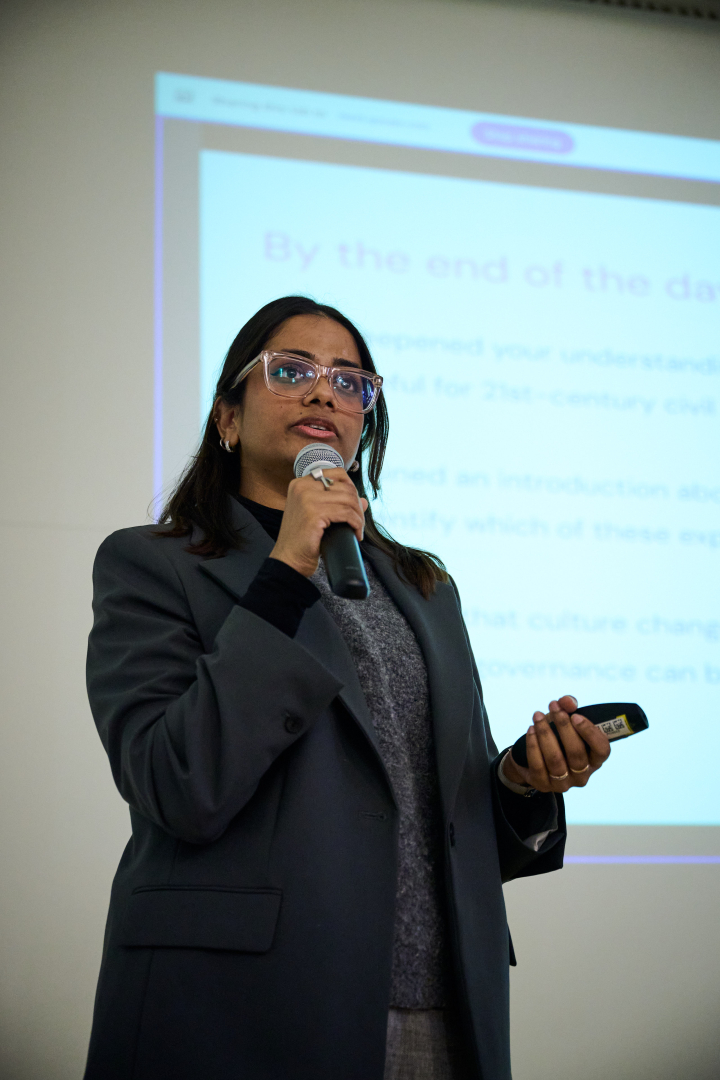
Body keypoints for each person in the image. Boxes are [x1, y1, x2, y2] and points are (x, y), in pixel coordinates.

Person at [84, 296, 611, 1080]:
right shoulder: (153, 565)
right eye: (291, 371)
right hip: (241, 1012)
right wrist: (285, 571)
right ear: (228, 417)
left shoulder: (424, 587)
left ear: (365, 422)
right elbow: (177, 781)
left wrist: (522, 782)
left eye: (351, 381)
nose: (324, 393)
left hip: (442, 1013)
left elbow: (441, 822)